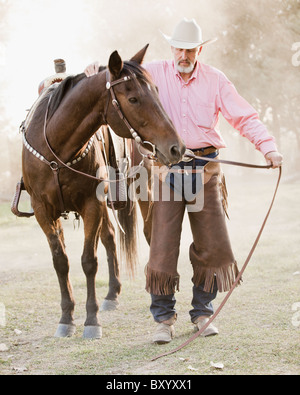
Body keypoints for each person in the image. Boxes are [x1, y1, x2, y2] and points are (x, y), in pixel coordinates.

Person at [85, 18, 283, 344]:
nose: (184, 54)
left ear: (199, 50)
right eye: (179, 48)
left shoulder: (216, 80)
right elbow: (120, 77)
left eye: (190, 49)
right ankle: (163, 319)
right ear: (172, 48)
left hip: (205, 168)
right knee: (162, 245)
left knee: (210, 244)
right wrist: (95, 66)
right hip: (167, 170)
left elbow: (243, 116)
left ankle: (203, 313)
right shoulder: (155, 73)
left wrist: (268, 147)